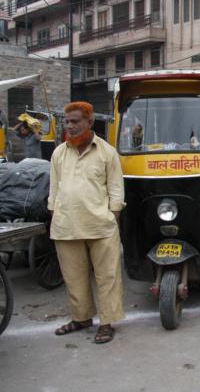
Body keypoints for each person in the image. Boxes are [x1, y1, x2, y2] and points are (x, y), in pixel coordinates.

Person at [48, 101, 125, 344]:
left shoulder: (106, 152)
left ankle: (106, 322)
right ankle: (81, 319)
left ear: (89, 122)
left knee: (107, 276)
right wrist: (56, 214)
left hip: (101, 226)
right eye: (67, 121)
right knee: (74, 277)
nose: (69, 126)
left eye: (75, 121)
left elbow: (116, 190)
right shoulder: (59, 153)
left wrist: (112, 218)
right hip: (66, 225)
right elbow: (54, 190)